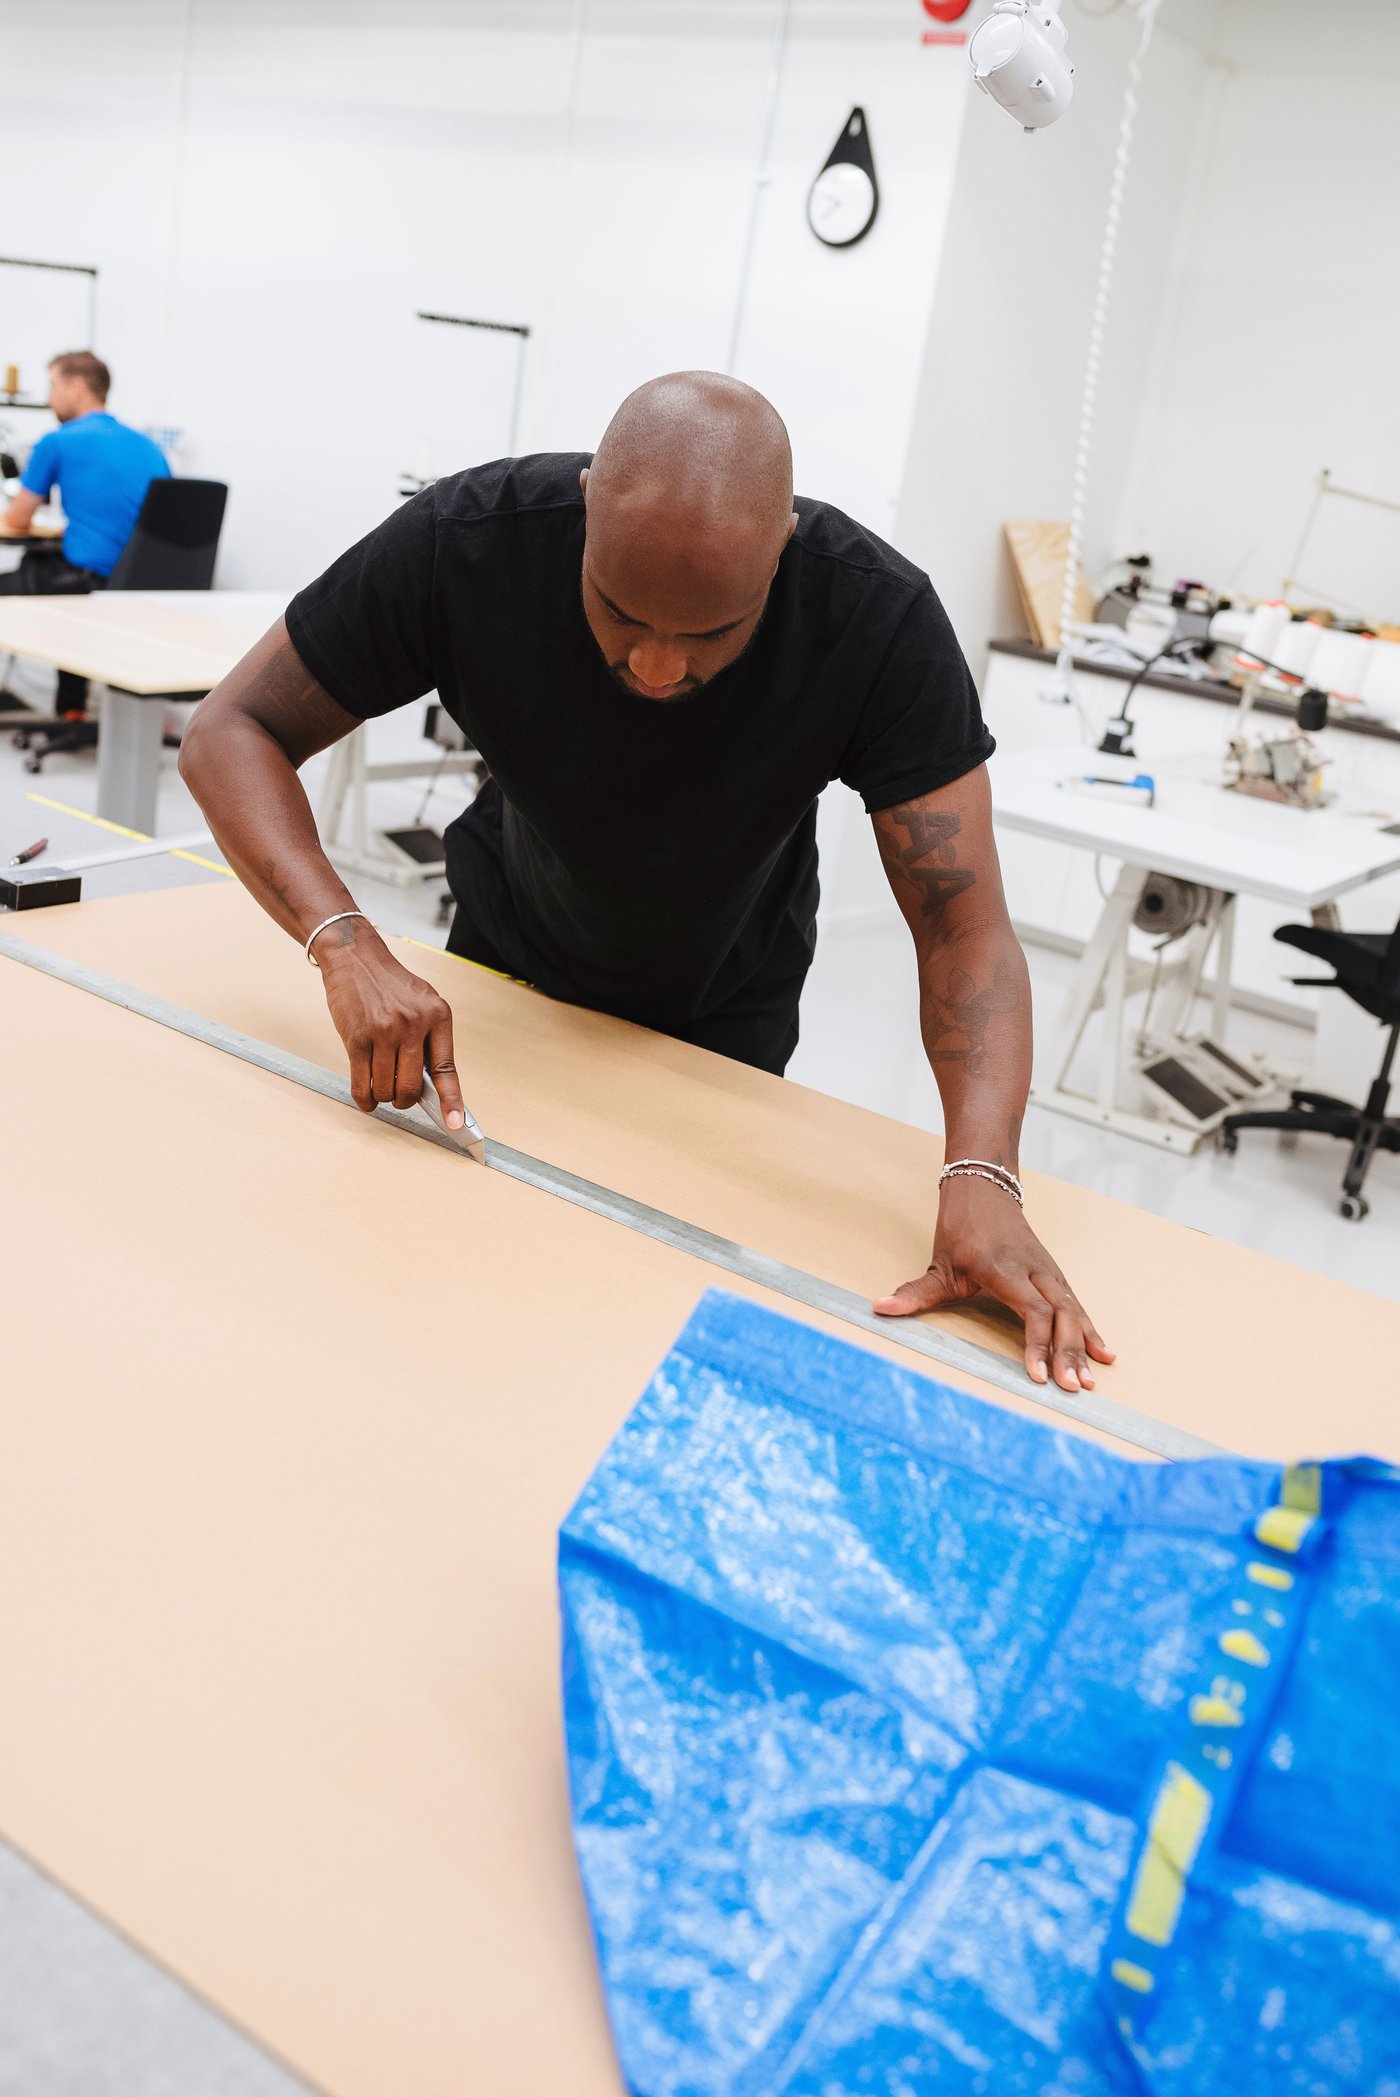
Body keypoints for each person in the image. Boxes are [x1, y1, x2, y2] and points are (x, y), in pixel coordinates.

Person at [180, 372, 1112, 1395]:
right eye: (619, 614)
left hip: (725, 1011)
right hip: (503, 984)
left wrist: (982, 1172)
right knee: (446, 1306)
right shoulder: (469, 543)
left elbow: (964, 930)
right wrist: (344, 941)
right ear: (585, 505)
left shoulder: (872, 617)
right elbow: (231, 730)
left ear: (783, 548)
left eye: (710, 633)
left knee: (637, 1335)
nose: (658, 666)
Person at [0, 351, 169, 711]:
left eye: (53, 386)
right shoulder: (148, 445)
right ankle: (72, 712)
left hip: (85, 580)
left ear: (76, 387)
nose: (49, 398)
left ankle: (70, 711)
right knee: (62, 578)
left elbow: (17, 519)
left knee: (51, 575)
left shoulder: (57, 441)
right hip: (141, 586)